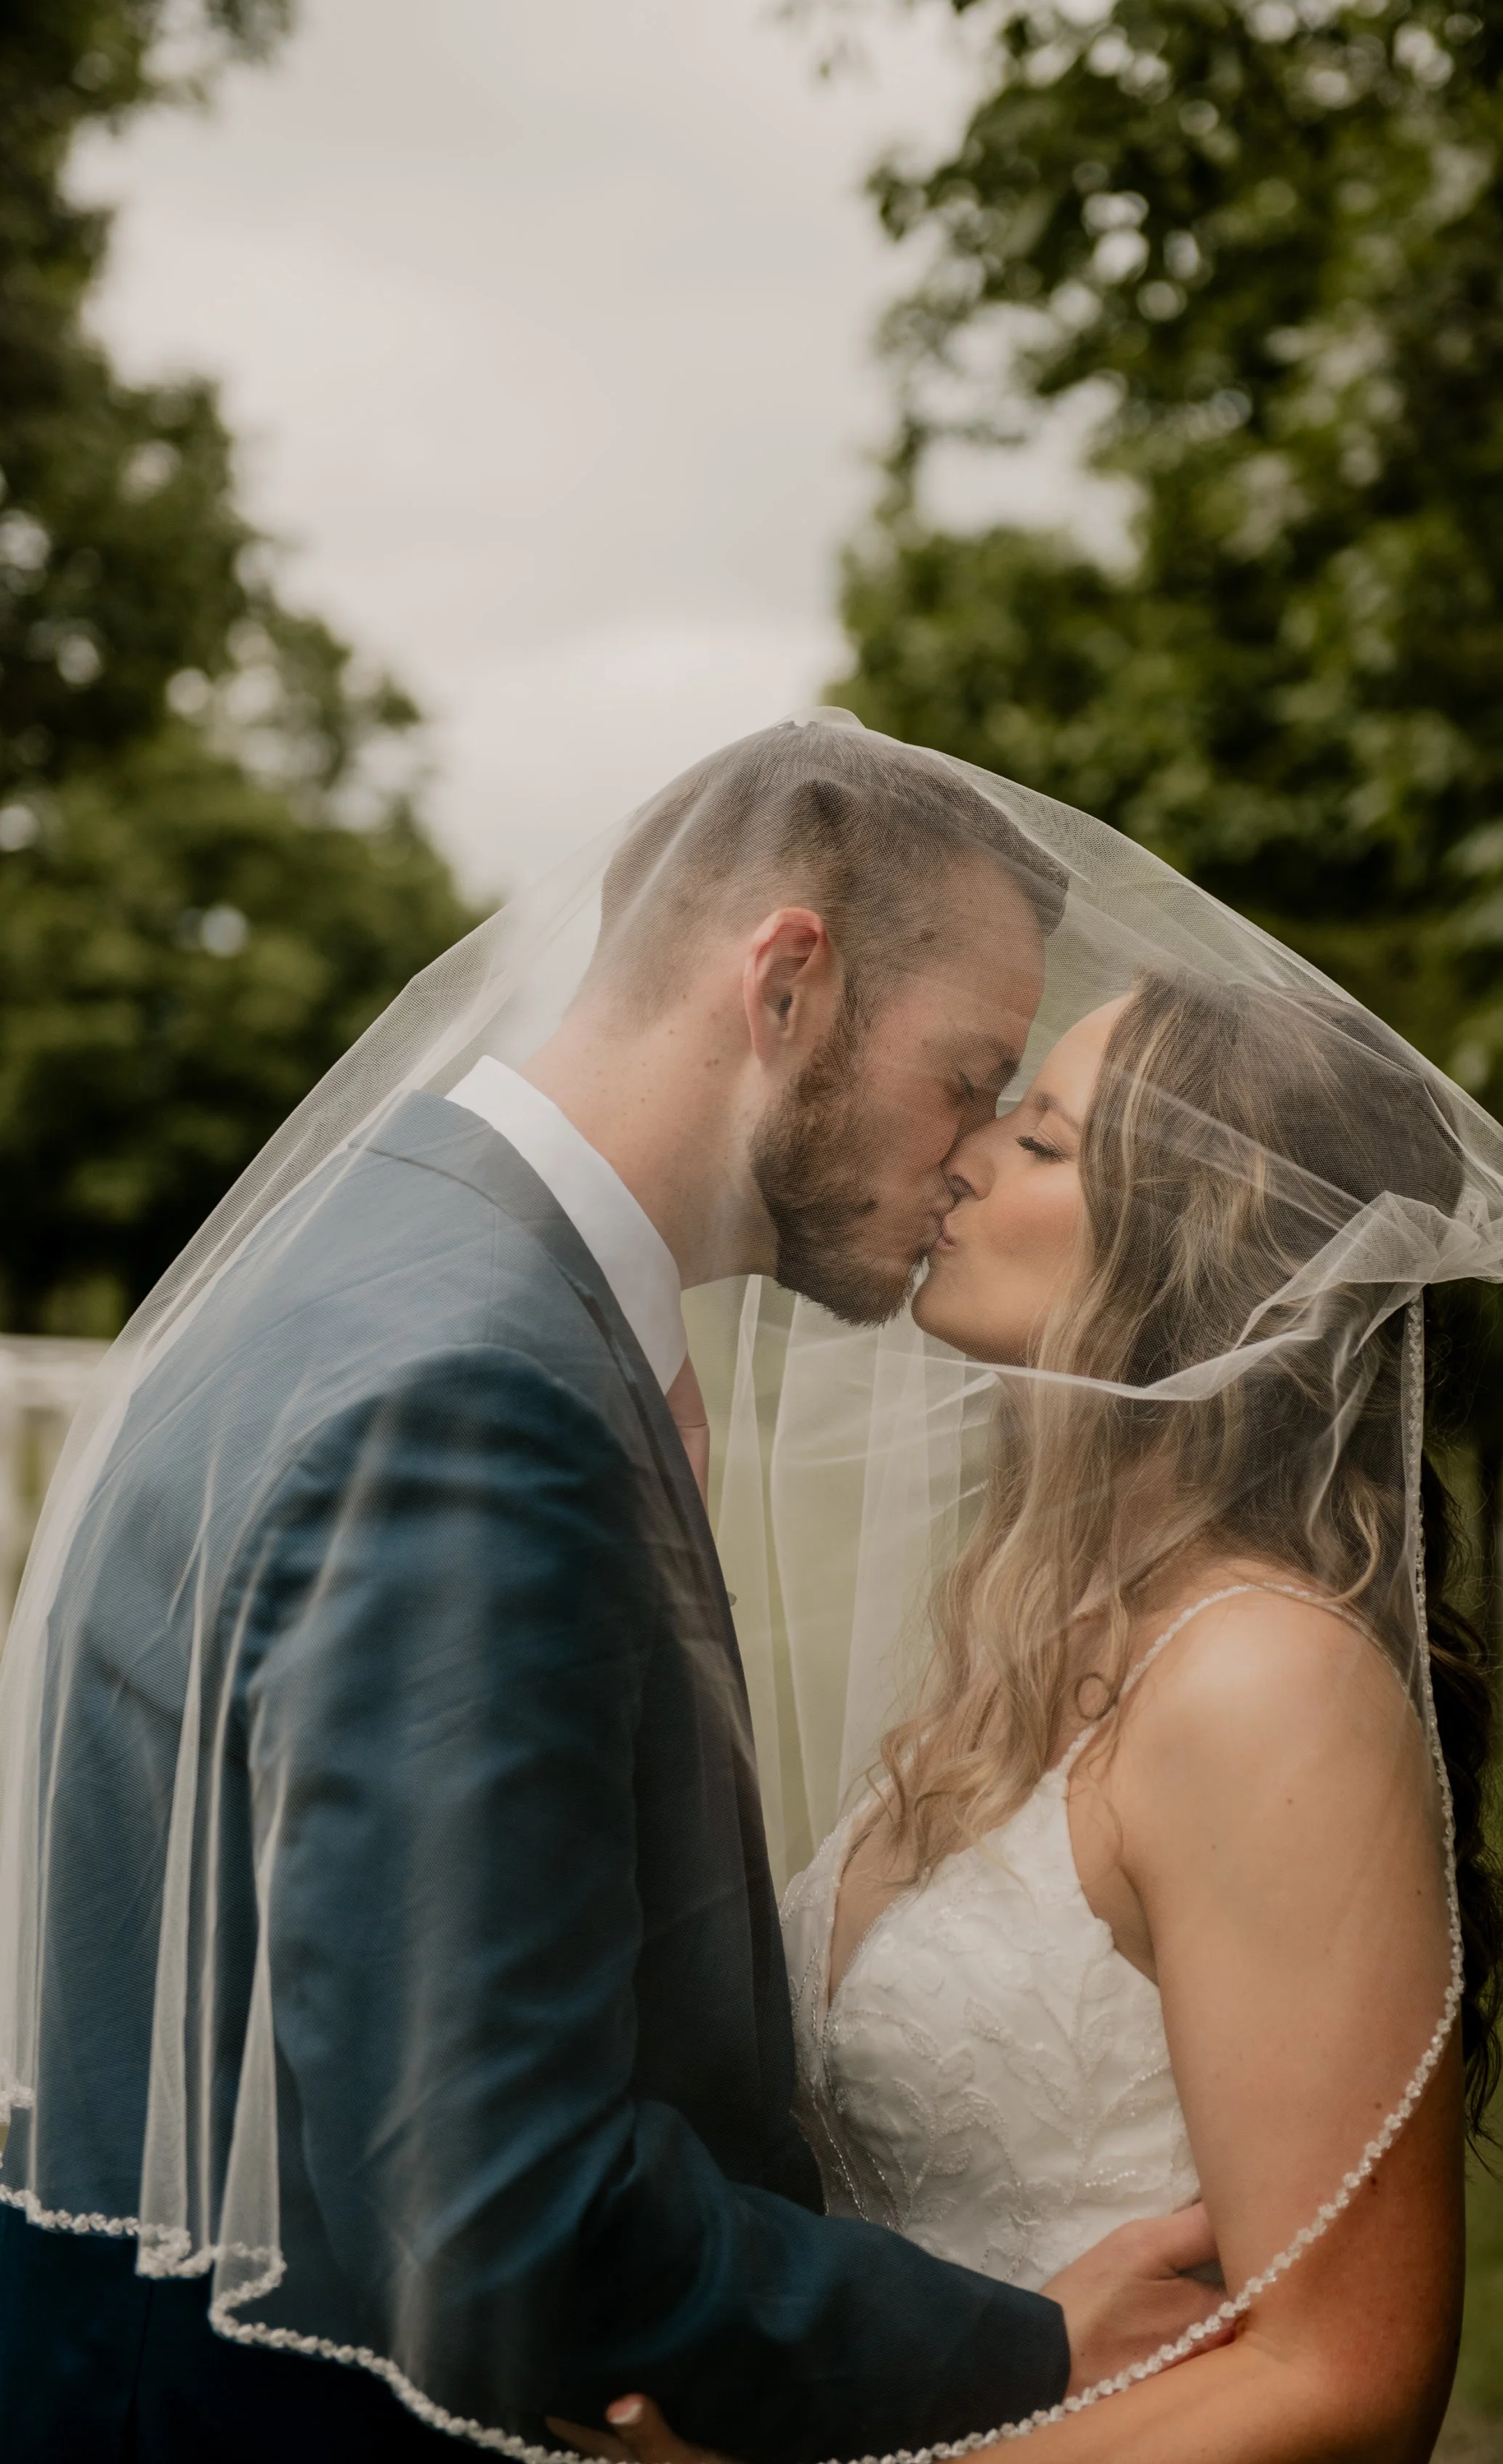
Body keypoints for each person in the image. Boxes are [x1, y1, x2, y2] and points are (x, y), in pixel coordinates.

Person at [0, 724, 1221, 2463]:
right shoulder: (481, 1396)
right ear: (786, 982)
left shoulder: (388, 1259)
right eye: (967, 1076)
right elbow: (507, 2200)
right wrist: (1015, 2352)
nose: (968, 1157)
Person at [575, 961, 1503, 2464]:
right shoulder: (1053, 1631)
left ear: (1197, 1255)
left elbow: (1341, 2378)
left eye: (1035, 1140)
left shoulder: (1258, 1679)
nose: (956, 1157)